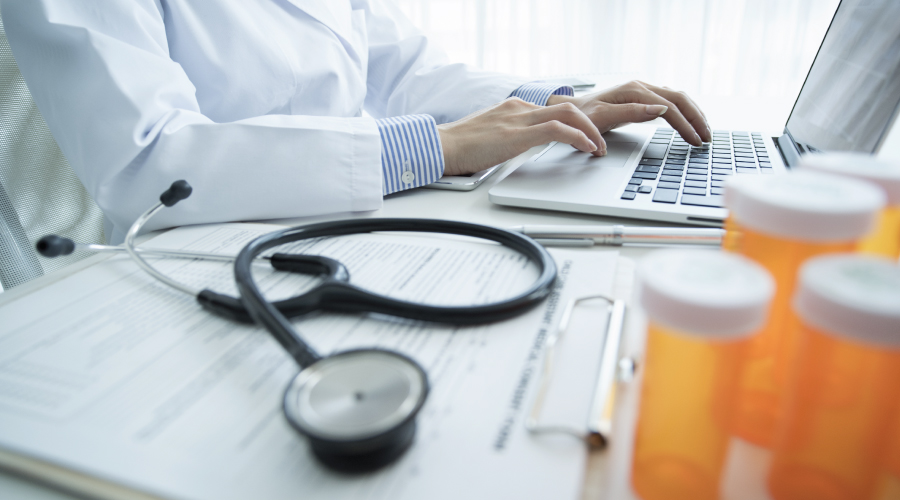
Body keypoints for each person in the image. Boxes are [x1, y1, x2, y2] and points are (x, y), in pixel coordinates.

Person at [1, 0, 711, 243]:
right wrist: (430, 148)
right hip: (195, 250)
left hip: (361, 214)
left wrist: (554, 102)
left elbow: (399, 69)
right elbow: (149, 165)